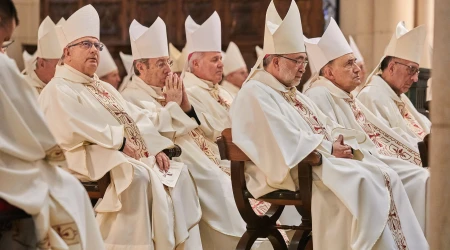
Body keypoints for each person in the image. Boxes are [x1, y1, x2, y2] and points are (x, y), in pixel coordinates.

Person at [231, 1, 428, 249]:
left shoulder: (291, 93)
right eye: (297, 61)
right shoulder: (255, 92)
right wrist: (328, 148)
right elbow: (282, 140)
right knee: (366, 180)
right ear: (275, 61)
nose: (304, 68)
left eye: (304, 60)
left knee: (382, 174)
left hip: (311, 162)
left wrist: (338, 142)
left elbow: (326, 125)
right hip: (289, 171)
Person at [38, 5, 202, 250]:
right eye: (85, 44)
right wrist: (120, 141)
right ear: (67, 52)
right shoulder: (58, 88)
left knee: (177, 174)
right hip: (79, 156)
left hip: (110, 152)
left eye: (97, 45)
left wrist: (153, 148)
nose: (94, 50)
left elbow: (136, 121)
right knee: (136, 176)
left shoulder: (105, 88)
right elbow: (71, 127)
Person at [120, 18, 256, 249]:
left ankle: (252, 234)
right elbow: (150, 132)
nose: (169, 69)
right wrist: (173, 106)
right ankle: (239, 239)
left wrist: (183, 107)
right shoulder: (131, 96)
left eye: (168, 62)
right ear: (140, 67)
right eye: (161, 63)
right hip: (171, 156)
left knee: (225, 176)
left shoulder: (167, 89)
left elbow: (192, 126)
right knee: (216, 183)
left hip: (197, 151)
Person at [303, 19, 429, 231]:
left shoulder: (344, 95)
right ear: (329, 72)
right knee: (420, 177)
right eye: (349, 64)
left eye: (355, 62)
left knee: (422, 175)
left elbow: (373, 136)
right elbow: (330, 141)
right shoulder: (318, 94)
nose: (357, 69)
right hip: (346, 168)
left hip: (367, 159)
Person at [0, 1, 104, 249]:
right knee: (71, 191)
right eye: (4, 41)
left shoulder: (100, 87)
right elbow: (37, 135)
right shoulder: (4, 68)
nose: (4, 51)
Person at [358, 22, 430, 143]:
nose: (416, 78)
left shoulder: (399, 97)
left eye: (417, 71)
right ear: (391, 68)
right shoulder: (370, 97)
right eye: (411, 69)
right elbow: (387, 145)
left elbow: (424, 127)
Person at [182, 12, 233, 142]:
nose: (221, 64)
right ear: (196, 63)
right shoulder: (187, 92)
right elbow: (215, 132)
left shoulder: (223, 92)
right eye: (215, 59)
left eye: (221, 58)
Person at [23, 16, 64, 95]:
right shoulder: (24, 87)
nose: (62, 71)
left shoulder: (62, 86)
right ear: (42, 63)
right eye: (58, 66)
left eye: (63, 65)